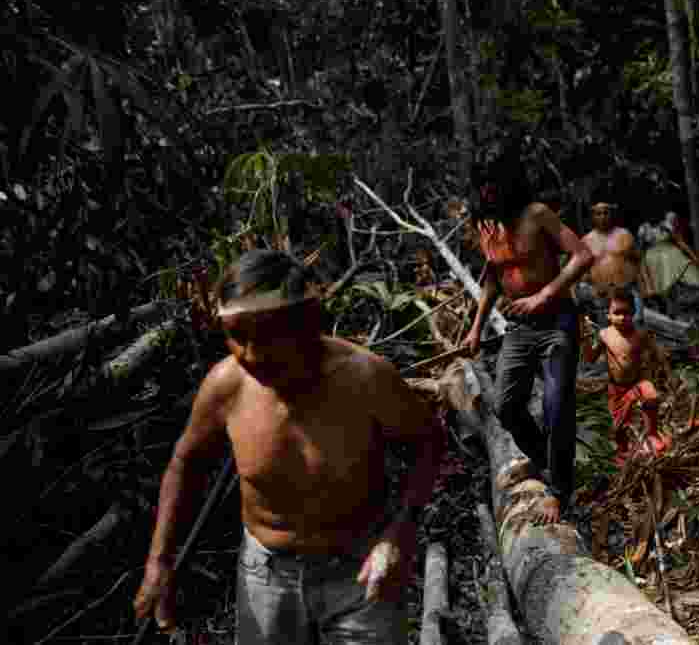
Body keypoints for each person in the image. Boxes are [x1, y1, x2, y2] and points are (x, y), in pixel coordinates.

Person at [133, 249, 445, 644]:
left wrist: (400, 533)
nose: (251, 354)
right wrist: (159, 562)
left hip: (360, 570)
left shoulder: (365, 378)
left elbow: (429, 441)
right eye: (236, 336)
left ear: (306, 324)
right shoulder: (226, 386)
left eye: (267, 335)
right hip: (266, 576)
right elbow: (186, 462)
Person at [461, 146, 594, 525]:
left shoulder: (536, 215)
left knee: (556, 406)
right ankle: (542, 461)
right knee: (506, 406)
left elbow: (583, 255)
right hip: (519, 329)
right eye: (482, 185)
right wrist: (475, 327)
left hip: (557, 322)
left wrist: (544, 295)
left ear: (508, 184)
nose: (487, 192)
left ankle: (560, 491)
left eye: (493, 184)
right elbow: (491, 279)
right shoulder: (487, 226)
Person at [580, 288, 672, 466]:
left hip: (637, 382)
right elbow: (590, 359)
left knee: (651, 394)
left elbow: (656, 354)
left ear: (634, 313)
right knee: (618, 427)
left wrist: (665, 372)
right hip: (616, 388)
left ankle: (652, 433)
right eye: (617, 313)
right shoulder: (604, 335)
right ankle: (623, 451)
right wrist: (584, 338)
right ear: (608, 315)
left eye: (627, 313)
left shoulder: (640, 334)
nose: (622, 317)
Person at [578, 201, 644, 327]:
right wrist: (588, 287)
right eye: (598, 213)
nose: (602, 217)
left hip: (625, 293)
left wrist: (640, 294)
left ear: (611, 215)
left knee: (632, 335)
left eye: (605, 213)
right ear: (593, 217)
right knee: (606, 336)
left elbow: (638, 263)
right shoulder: (586, 241)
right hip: (601, 295)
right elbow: (581, 271)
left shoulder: (624, 235)